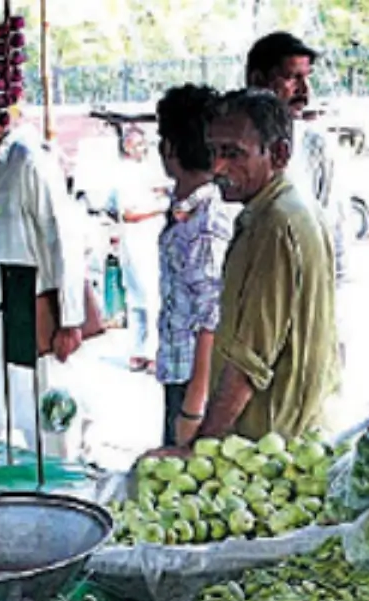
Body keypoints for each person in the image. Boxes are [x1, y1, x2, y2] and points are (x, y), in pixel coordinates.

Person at [0, 90, 93, 444]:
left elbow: (63, 238)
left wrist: (70, 321)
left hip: (32, 303)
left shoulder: (27, 159)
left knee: (47, 416)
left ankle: (61, 487)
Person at [189, 88, 339, 443]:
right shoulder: (295, 207)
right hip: (299, 432)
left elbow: (248, 361)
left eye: (233, 153)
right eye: (213, 152)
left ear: (279, 153)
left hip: (268, 442)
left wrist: (202, 446)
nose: (217, 168)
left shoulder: (275, 224)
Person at [155, 84, 235, 449]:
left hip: (194, 382)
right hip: (181, 373)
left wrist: (193, 409)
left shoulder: (203, 224)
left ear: (169, 147)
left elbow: (211, 321)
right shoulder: (188, 210)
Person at [247, 31, 345, 282]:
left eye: (306, 78)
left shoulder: (315, 145)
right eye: (292, 78)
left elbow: (332, 224)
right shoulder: (231, 145)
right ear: (258, 80)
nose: (304, 90)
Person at [109, 125, 167, 371]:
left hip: (150, 239)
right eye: (137, 144)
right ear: (127, 147)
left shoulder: (149, 170)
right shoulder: (123, 174)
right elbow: (129, 213)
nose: (142, 149)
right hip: (136, 240)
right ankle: (142, 351)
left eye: (144, 144)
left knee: (150, 296)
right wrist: (161, 206)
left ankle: (150, 350)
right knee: (141, 296)